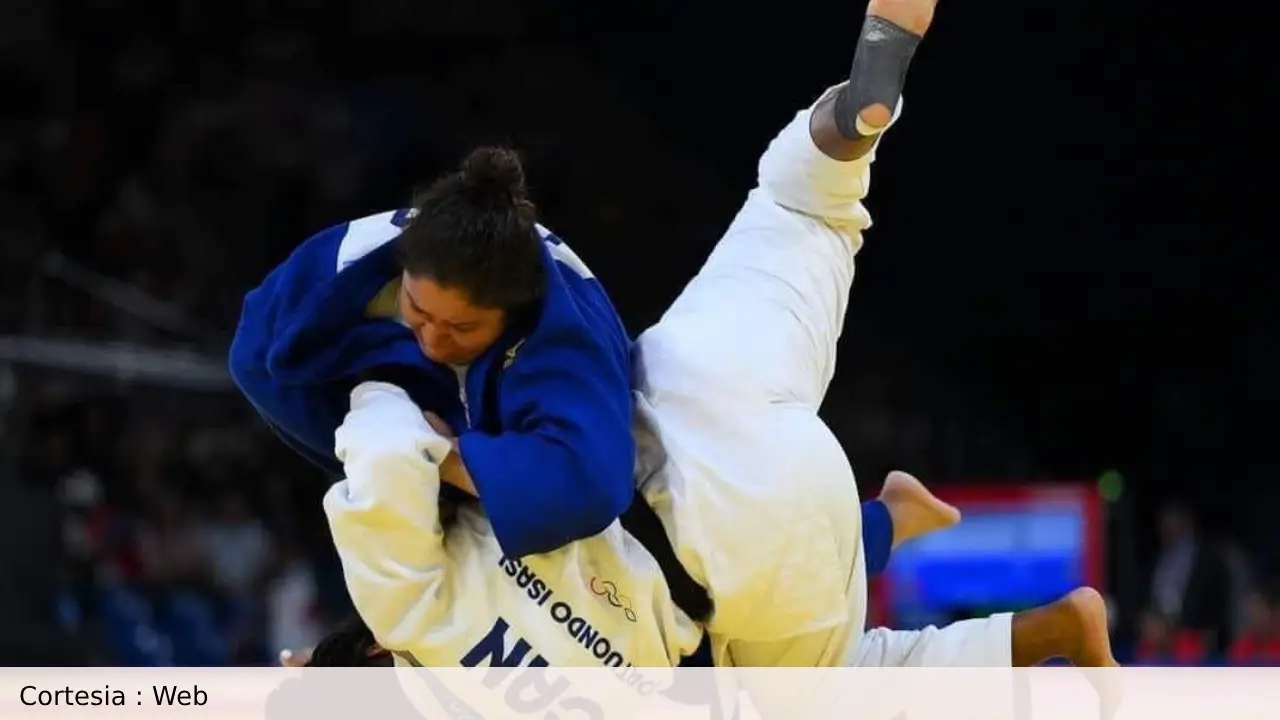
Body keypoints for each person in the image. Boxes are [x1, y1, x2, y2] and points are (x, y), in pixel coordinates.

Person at [230, 147, 637, 558]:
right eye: (418, 311)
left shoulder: (565, 340)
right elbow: (254, 356)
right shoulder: (353, 260)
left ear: (511, 313)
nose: (434, 340)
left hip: (544, 452)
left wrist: (443, 459)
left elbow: (590, 486)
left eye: (462, 327)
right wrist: (376, 446)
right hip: (425, 397)